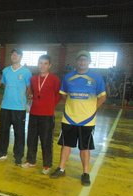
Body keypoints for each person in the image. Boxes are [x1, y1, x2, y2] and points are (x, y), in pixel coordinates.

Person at [50, 50, 106, 186]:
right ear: (76, 61)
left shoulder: (97, 77)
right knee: (66, 145)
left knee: (84, 147)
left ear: (89, 61)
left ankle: (85, 173)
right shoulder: (68, 77)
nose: (82, 62)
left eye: (85, 60)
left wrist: (92, 109)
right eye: (80, 59)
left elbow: (102, 97)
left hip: (87, 120)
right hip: (69, 117)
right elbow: (63, 94)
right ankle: (61, 169)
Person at [21, 55, 61, 174]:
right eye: (40, 63)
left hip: (47, 116)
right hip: (34, 113)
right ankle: (31, 160)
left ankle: (47, 165)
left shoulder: (54, 79)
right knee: (31, 139)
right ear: (38, 64)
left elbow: (58, 95)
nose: (42, 65)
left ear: (50, 65)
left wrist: (49, 105)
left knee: (46, 140)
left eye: (45, 63)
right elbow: (32, 92)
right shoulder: (33, 79)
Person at [0, 49, 32, 165]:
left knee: (19, 133)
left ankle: (18, 156)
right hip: (5, 106)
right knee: (3, 131)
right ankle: (2, 152)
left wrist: (21, 99)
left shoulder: (26, 72)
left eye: (17, 55)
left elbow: (29, 88)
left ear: (21, 57)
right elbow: (5, 85)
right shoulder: (5, 71)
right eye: (13, 54)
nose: (14, 56)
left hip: (19, 108)